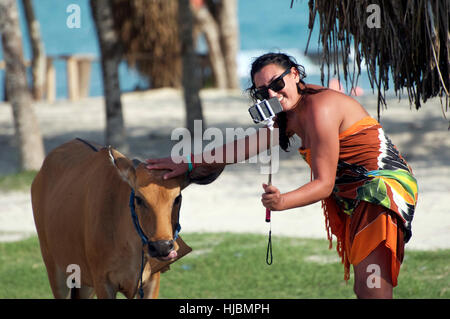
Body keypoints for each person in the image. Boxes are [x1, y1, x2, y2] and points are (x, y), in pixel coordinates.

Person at [146, 52, 418, 299]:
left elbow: (324, 184)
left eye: (277, 84)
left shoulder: (320, 109)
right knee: (366, 287)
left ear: (295, 74)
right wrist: (189, 162)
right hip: (357, 196)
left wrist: (282, 202)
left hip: (380, 190)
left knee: (372, 288)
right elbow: (244, 146)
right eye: (263, 91)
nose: (273, 95)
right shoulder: (289, 114)